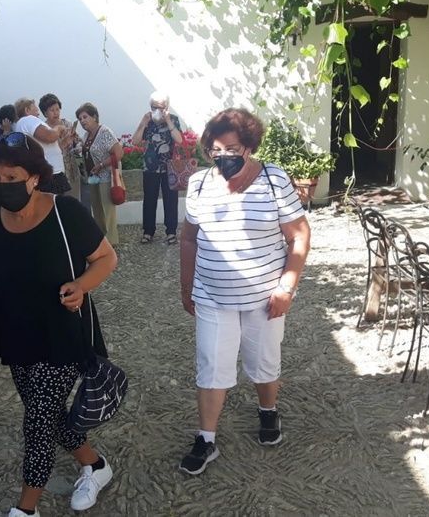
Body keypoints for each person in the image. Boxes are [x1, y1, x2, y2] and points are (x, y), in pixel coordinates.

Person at [0, 132, 118, 516]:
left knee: (36, 423)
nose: (2, 186)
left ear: (34, 177)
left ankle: (26, 510)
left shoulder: (66, 213)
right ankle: (96, 466)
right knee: (46, 413)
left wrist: (81, 286)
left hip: (62, 333)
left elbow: (106, 258)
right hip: (15, 334)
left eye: (11, 178)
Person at [178, 108, 311, 476]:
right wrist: (186, 287)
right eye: (216, 150)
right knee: (211, 365)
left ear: (249, 146)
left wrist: (287, 287)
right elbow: (188, 238)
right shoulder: (199, 184)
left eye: (232, 148)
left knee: (264, 361)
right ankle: (206, 439)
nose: (224, 156)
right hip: (212, 295)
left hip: (264, 297)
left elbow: (299, 235)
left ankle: (268, 411)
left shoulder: (273, 180)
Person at [132, 90, 184, 245]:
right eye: (154, 107)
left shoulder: (173, 119)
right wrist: (143, 123)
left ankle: (171, 232)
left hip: (170, 167)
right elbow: (135, 141)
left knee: (171, 200)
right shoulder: (147, 120)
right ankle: (148, 231)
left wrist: (168, 121)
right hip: (150, 167)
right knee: (149, 200)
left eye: (160, 107)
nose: (157, 110)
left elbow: (179, 140)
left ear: (166, 106)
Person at [76, 102, 122, 245]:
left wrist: (101, 165)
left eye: (85, 117)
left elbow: (119, 153)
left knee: (107, 210)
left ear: (94, 116)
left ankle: (111, 241)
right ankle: (102, 240)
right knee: (97, 210)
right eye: (80, 119)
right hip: (93, 177)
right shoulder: (86, 135)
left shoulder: (104, 132)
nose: (82, 121)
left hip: (106, 176)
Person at [13, 97, 72, 195]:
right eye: (35, 109)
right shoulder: (28, 120)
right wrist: (59, 128)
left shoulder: (22, 124)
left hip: (50, 173)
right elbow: (50, 136)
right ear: (27, 110)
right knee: (54, 203)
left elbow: (47, 147)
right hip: (50, 175)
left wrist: (65, 142)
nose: (38, 113)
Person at [40, 93, 83, 203]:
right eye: (52, 110)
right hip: (54, 175)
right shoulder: (43, 130)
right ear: (45, 113)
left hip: (71, 172)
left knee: (74, 203)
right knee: (57, 204)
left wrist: (77, 146)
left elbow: (78, 141)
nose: (56, 113)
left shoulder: (67, 123)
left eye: (57, 109)